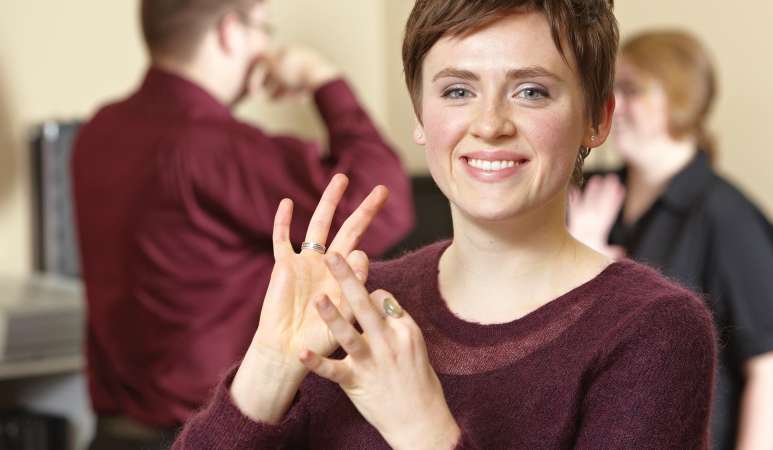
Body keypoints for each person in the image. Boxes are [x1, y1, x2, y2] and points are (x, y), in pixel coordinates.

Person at [173, 1, 717, 448]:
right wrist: (267, 369)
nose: (489, 125)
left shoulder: (654, 332)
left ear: (597, 119)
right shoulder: (357, 305)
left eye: (531, 91)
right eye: (458, 90)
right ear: (419, 115)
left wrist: (423, 431)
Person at [71, 0, 414, 448]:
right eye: (262, 30)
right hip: (209, 434)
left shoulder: (98, 131)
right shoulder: (212, 147)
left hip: (110, 434)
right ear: (230, 31)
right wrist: (322, 78)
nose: (266, 46)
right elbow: (384, 203)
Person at [569, 30, 773, 450]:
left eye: (631, 89)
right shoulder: (593, 198)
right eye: (610, 87)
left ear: (681, 98)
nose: (611, 104)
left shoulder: (728, 218)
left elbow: (771, 366)